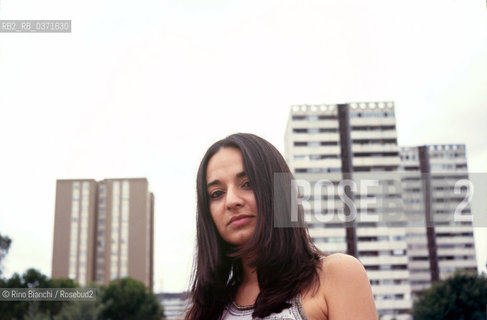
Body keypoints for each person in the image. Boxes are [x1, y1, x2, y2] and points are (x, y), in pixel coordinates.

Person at [185, 133, 377, 320]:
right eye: (217, 193)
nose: (232, 201)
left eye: (247, 183)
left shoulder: (337, 275)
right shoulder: (204, 311)